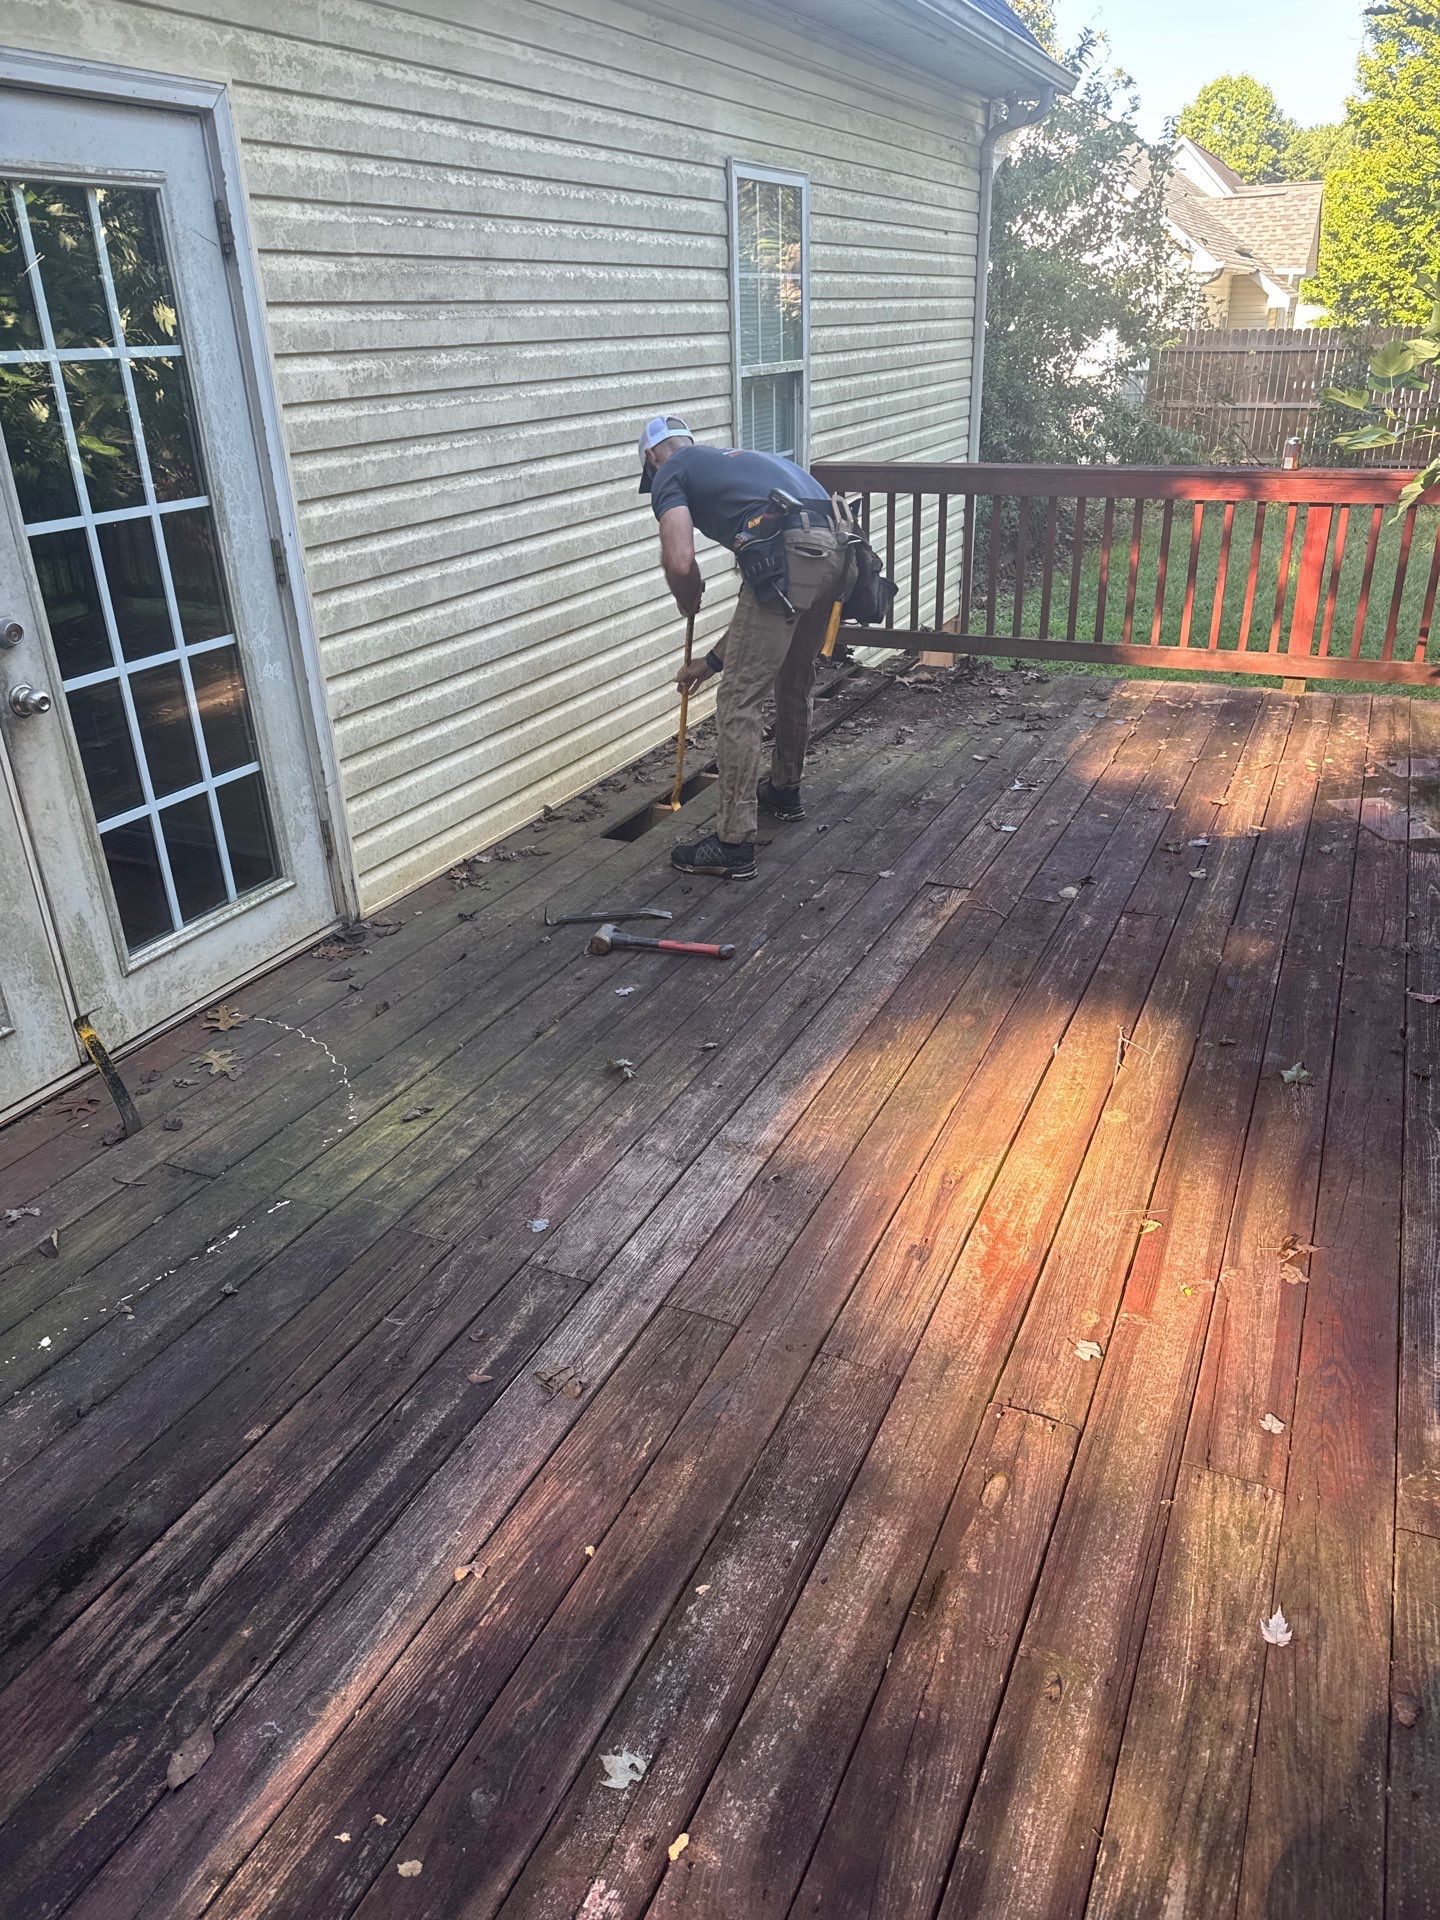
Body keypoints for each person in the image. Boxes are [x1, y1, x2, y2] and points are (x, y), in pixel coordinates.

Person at [637, 413, 854, 880]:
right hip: (839, 548)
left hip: (791, 552)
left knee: (738, 701)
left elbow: (679, 560)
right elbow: (763, 622)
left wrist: (686, 594)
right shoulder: (739, 461)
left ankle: (733, 844)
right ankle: (785, 791)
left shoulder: (671, 471)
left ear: (652, 457)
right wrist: (711, 663)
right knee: (793, 676)